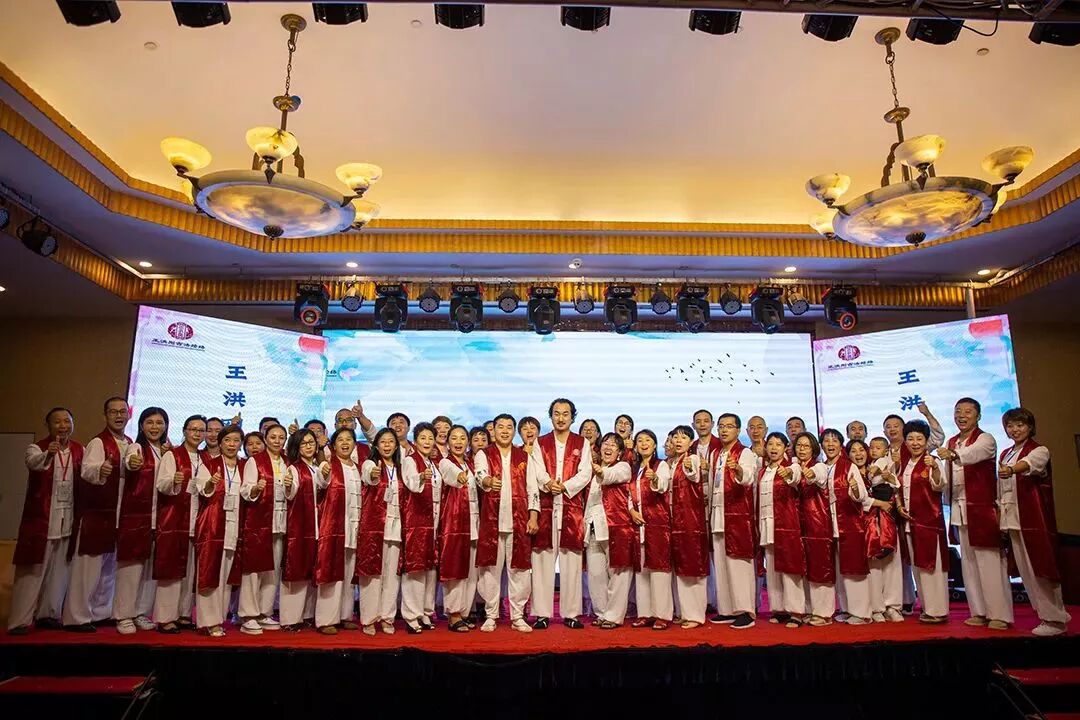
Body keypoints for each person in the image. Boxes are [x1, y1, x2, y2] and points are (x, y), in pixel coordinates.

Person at [938, 397, 1011, 630]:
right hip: (959, 508)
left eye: (968, 411)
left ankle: (999, 614)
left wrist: (953, 455)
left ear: (978, 416)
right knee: (968, 563)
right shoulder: (952, 441)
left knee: (989, 562)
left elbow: (973, 454)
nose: (962, 416)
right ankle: (979, 611)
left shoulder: (985, 439)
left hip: (981, 508)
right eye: (958, 411)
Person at [9, 408, 83, 635]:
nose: (63, 426)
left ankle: (48, 614)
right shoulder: (37, 448)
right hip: (43, 519)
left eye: (67, 421)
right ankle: (20, 621)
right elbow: (34, 463)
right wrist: (48, 455)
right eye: (57, 422)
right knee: (32, 572)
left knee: (60, 571)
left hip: (67, 517)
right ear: (48, 425)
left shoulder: (79, 449)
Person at [998, 408, 1070, 636]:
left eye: (1020, 425)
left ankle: (1055, 619)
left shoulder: (1039, 450)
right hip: (1013, 518)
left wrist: (1011, 470)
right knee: (1026, 572)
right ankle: (1047, 615)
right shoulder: (1006, 453)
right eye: (1010, 426)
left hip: (1033, 518)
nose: (1015, 430)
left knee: (1041, 569)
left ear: (1029, 427)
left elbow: (1029, 465)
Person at [62, 397, 130, 631]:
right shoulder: (98, 442)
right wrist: (101, 469)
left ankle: (100, 612)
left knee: (109, 567)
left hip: (118, 514)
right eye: (113, 412)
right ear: (105, 415)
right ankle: (76, 617)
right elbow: (87, 470)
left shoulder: (129, 443)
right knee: (87, 569)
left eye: (122, 412)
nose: (119, 416)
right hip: (97, 514)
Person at [474, 413, 541, 633]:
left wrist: (533, 516)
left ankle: (517, 616)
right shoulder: (484, 453)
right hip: (491, 520)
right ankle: (491, 615)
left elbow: (532, 488)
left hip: (519, 521)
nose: (505, 431)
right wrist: (487, 481)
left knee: (519, 570)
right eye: (500, 427)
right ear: (493, 430)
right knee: (490, 570)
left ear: (514, 431)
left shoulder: (524, 456)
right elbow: (480, 475)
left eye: (509, 427)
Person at [532, 399, 592, 629]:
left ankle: (571, 614)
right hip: (546, 507)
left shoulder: (582, 442)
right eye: (556, 413)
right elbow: (537, 469)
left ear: (572, 417)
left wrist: (565, 486)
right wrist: (548, 483)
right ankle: (542, 614)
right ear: (551, 416)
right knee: (542, 562)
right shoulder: (540, 442)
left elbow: (585, 473)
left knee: (572, 563)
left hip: (571, 508)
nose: (561, 418)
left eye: (565, 414)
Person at [114, 407, 168, 635]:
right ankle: (123, 615)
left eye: (159, 423)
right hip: (137, 517)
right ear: (141, 426)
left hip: (160, 517)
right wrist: (132, 462)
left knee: (149, 571)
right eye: (150, 422)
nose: (155, 427)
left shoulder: (166, 451)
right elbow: (130, 461)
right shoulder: (136, 447)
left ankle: (140, 612)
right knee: (131, 569)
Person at [153, 415, 205, 633]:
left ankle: (184, 613)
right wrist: (173, 481)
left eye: (201, 430)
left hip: (197, 519)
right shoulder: (172, 455)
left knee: (190, 570)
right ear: (184, 431)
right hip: (175, 517)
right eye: (193, 429)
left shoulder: (203, 458)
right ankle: (166, 617)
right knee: (172, 569)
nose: (197, 434)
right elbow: (161, 484)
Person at [192, 425, 245, 637]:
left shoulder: (245, 466)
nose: (232, 445)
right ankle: (208, 621)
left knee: (226, 574)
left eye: (236, 440)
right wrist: (210, 484)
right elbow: (202, 491)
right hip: (213, 524)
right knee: (210, 571)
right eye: (227, 440)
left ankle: (219, 618)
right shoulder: (208, 464)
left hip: (236, 524)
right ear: (220, 443)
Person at [708, 413, 759, 629]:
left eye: (729, 426)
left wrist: (737, 469)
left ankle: (746, 611)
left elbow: (748, 477)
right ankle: (727, 610)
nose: (724, 430)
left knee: (739, 566)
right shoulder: (716, 453)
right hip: (718, 515)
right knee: (721, 565)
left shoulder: (744, 452)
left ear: (738, 430)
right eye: (721, 426)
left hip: (737, 517)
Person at [237, 423, 289, 634]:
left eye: (281, 437)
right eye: (273, 437)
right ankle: (248, 614)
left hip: (280, 521)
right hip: (259, 522)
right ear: (265, 439)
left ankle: (264, 611)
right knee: (254, 570)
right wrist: (255, 489)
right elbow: (244, 490)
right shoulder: (255, 461)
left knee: (272, 570)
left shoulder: (287, 461)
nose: (277, 441)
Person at [896, 420, 949, 623]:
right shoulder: (905, 463)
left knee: (932, 567)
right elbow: (898, 487)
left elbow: (939, 485)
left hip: (929, 523)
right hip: (910, 523)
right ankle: (927, 608)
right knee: (918, 568)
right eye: (910, 439)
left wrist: (934, 467)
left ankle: (938, 610)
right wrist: (899, 506)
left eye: (919, 439)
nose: (915, 443)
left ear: (927, 441)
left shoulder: (932, 460)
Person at [818, 428, 871, 625]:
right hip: (828, 524)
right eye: (826, 441)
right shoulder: (821, 468)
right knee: (839, 569)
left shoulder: (849, 467)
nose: (830, 444)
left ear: (841, 445)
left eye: (834, 441)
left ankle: (862, 612)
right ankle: (847, 608)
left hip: (849, 523)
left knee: (854, 569)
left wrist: (855, 489)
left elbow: (862, 496)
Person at [314, 428, 363, 635]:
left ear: (354, 444)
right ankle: (326, 619)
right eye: (340, 440)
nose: (345, 443)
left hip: (355, 526)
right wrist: (323, 472)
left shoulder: (357, 467)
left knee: (349, 573)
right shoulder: (328, 464)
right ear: (333, 445)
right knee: (331, 572)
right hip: (334, 526)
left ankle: (345, 615)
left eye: (349, 439)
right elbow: (321, 482)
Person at [358, 428, 404, 635]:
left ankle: (387, 617)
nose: (387, 445)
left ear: (396, 445)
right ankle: (369, 619)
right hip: (375, 526)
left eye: (391, 442)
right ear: (376, 445)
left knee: (392, 577)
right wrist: (374, 474)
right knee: (372, 575)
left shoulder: (401, 469)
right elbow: (369, 475)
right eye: (383, 441)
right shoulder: (370, 463)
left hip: (397, 526)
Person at [588, 433, 635, 628]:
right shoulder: (592, 469)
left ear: (620, 452)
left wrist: (601, 473)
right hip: (592, 527)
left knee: (619, 573)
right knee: (595, 574)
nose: (608, 447)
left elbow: (613, 476)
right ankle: (601, 613)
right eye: (605, 443)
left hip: (616, 527)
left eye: (613, 445)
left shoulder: (623, 467)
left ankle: (614, 616)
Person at [759, 432, 806, 628]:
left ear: (786, 448)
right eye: (770, 444)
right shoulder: (763, 471)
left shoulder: (792, 467)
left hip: (786, 524)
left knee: (790, 568)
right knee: (772, 569)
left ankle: (796, 612)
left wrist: (788, 475)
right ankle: (779, 609)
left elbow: (794, 478)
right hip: (766, 523)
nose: (773, 448)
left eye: (778, 444)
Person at [437, 425, 480, 632]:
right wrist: (459, 476)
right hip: (454, 522)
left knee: (471, 571)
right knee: (455, 568)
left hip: (474, 522)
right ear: (447, 442)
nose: (458, 442)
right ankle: (453, 614)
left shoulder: (471, 463)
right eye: (454, 438)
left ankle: (464, 612)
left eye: (463, 438)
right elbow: (451, 475)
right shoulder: (445, 462)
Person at [630, 430, 673, 630]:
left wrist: (654, 478)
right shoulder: (634, 469)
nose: (644, 443)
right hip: (638, 524)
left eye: (648, 440)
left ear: (655, 445)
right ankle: (645, 613)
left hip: (657, 523)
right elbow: (628, 494)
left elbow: (663, 485)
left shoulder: (661, 465)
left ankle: (662, 614)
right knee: (642, 571)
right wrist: (631, 511)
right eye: (640, 440)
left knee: (659, 570)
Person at [400, 423, 441, 633]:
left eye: (430, 438)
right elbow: (410, 483)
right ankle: (411, 615)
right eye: (423, 438)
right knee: (415, 569)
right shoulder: (410, 460)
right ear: (415, 441)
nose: (427, 442)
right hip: (416, 521)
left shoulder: (432, 463)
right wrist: (421, 478)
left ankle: (426, 611)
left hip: (433, 521)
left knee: (429, 569)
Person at [858, 438, 903, 623]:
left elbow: (895, 488)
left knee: (892, 561)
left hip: (887, 515)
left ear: (885, 451)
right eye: (871, 447)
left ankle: (893, 606)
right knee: (874, 563)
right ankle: (876, 607)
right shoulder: (858, 470)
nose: (873, 450)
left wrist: (893, 504)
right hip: (868, 519)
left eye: (878, 448)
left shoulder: (884, 464)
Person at [280, 429, 320, 631]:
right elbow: (290, 492)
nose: (308, 446)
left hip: (318, 525)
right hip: (300, 525)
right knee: (296, 571)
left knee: (312, 571)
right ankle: (290, 618)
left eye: (311, 442)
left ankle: (308, 614)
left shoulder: (318, 468)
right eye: (304, 443)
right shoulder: (294, 469)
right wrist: (287, 486)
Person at [669, 424, 708, 628]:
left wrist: (691, 467)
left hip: (691, 521)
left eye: (683, 437)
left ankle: (695, 615)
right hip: (676, 521)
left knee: (693, 568)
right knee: (681, 567)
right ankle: (684, 612)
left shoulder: (691, 459)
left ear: (691, 442)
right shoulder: (672, 463)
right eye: (676, 437)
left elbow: (693, 474)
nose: (678, 440)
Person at [792, 431, 831, 626]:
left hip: (817, 522)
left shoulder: (819, 466)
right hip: (799, 524)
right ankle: (809, 609)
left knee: (820, 567)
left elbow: (819, 476)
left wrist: (810, 474)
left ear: (814, 449)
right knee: (804, 568)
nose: (802, 449)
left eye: (806, 446)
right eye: (799, 445)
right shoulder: (793, 466)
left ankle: (824, 612)